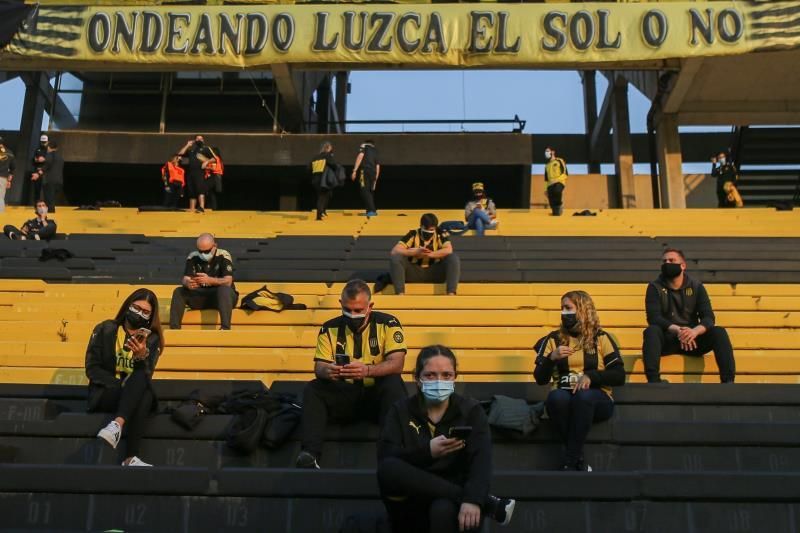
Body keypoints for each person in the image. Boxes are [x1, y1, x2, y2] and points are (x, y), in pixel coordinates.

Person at [377, 345, 515, 532]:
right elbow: (386, 455)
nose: (439, 381)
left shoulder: (471, 411)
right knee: (388, 468)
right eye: (430, 375)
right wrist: (428, 452)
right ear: (417, 378)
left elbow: (481, 461)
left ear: (455, 377)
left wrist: (472, 499)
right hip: (411, 501)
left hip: (454, 505)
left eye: (446, 375)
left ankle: (470, 498)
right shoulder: (400, 409)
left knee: (442, 508)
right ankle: (487, 503)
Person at [296, 279, 407, 469]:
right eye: (348, 310)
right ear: (340, 304)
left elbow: (397, 363)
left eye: (358, 311)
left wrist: (368, 370)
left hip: (377, 398)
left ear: (370, 306)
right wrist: (328, 370)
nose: (352, 315)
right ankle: (310, 454)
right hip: (345, 396)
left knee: (394, 383)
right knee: (313, 388)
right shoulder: (328, 328)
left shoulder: (388, 323)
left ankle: (392, 456)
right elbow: (319, 366)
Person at [534, 290, 625, 471]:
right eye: (562, 308)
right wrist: (551, 358)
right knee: (556, 398)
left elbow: (619, 375)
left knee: (583, 397)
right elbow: (540, 378)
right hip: (564, 399)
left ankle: (570, 460)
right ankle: (577, 459)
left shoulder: (601, 338)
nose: (564, 313)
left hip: (597, 400)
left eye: (568, 308)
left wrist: (592, 376)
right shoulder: (553, 339)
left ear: (583, 310)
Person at [87, 288, 164, 467]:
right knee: (143, 394)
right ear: (128, 305)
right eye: (136, 308)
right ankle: (130, 456)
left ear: (151, 316)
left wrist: (140, 357)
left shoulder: (152, 339)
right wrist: (120, 385)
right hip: (105, 392)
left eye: (145, 312)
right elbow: (92, 368)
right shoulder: (105, 328)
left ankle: (117, 426)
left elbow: (146, 375)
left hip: (133, 392)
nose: (139, 313)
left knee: (143, 389)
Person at [643, 248, 736, 384]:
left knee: (719, 332)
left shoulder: (696, 286)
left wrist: (694, 331)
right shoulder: (654, 287)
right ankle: (653, 381)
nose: (667, 263)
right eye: (664, 261)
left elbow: (708, 317)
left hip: (693, 341)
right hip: (668, 339)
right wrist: (678, 330)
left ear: (683, 265)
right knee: (651, 331)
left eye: (671, 260)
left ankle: (728, 382)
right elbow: (654, 318)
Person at [169, 233, 238, 330]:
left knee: (224, 290)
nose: (203, 255)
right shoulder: (193, 257)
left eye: (207, 251)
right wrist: (188, 283)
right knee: (179, 291)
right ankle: (174, 329)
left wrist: (210, 280)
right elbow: (185, 278)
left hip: (221, 298)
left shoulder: (223, 255)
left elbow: (228, 281)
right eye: (200, 251)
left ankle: (225, 328)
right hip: (201, 296)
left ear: (215, 246)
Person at [389, 213, 460, 295]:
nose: (430, 232)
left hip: (435, 272)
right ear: (421, 226)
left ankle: (451, 293)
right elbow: (395, 251)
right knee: (396, 258)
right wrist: (414, 252)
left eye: (432, 230)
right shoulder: (413, 234)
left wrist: (429, 254)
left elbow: (449, 250)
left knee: (453, 258)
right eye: (427, 229)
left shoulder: (440, 233)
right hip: (414, 272)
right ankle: (400, 293)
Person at [178, 135, 213, 213]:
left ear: (203, 140)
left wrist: (206, 162)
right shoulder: (191, 150)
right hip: (190, 173)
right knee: (191, 192)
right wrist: (187, 145)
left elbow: (214, 158)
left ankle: (201, 208)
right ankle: (192, 209)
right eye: (197, 138)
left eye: (201, 138)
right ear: (195, 141)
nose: (199, 139)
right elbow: (180, 153)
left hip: (200, 172)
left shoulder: (206, 148)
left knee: (200, 190)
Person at [351, 139, 380, 217]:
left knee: (364, 190)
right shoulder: (375, 151)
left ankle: (372, 210)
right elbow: (377, 166)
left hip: (365, 170)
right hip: (373, 172)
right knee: (370, 191)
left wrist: (354, 170)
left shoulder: (364, 146)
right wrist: (375, 179)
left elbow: (360, 156)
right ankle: (370, 210)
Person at [310, 141, 337, 221]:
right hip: (324, 180)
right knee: (322, 197)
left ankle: (323, 211)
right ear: (328, 148)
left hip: (315, 179)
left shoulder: (315, 157)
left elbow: (308, 168)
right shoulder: (327, 156)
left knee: (326, 195)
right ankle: (319, 215)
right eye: (330, 148)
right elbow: (334, 165)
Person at [41, 140, 65, 212]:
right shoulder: (61, 157)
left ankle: (48, 218)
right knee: (52, 200)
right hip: (59, 181)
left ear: (49, 147)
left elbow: (47, 165)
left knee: (48, 201)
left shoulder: (50, 155)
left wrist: (40, 171)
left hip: (50, 181)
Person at [544, 146, 568, 216]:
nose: (546, 153)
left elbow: (565, 173)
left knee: (557, 191)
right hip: (550, 185)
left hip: (559, 182)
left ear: (553, 152)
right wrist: (546, 189)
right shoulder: (547, 166)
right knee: (552, 203)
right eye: (545, 152)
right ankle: (556, 212)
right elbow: (546, 179)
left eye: (548, 151)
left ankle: (560, 204)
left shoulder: (559, 161)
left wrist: (556, 180)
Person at [29, 134, 49, 205]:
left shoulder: (49, 150)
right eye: (42, 142)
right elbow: (33, 160)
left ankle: (46, 204)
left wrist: (44, 159)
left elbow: (51, 161)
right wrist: (37, 160)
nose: (43, 143)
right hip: (37, 171)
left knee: (46, 188)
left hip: (46, 172)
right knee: (37, 188)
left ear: (47, 142)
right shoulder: (37, 149)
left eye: (44, 142)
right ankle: (36, 203)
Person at [0, 136, 15, 212]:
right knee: (0, 197)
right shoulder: (10, 152)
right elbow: (12, 169)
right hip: (3, 178)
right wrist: (9, 181)